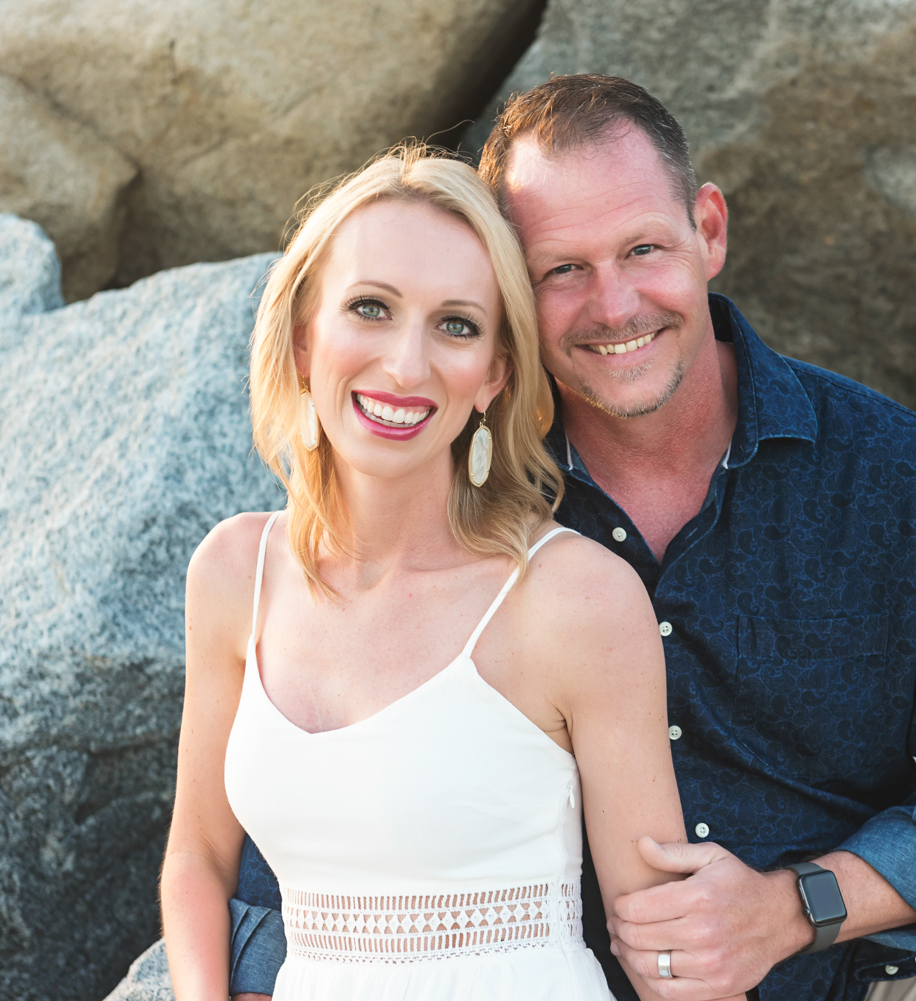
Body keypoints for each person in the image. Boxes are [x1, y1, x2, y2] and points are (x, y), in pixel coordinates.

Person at [226, 78, 916, 1001]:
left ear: (707, 229)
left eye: (643, 250)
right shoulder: (463, 496)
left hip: (869, 960)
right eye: (563, 270)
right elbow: (314, 794)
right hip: (572, 980)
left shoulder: (886, 471)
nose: (615, 304)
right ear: (507, 292)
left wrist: (796, 906)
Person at [159, 147, 734, 1001]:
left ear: (495, 375)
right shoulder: (235, 574)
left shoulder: (572, 598)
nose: (406, 364)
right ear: (305, 335)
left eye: (456, 325)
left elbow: (664, 945)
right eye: (371, 308)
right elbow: (198, 857)